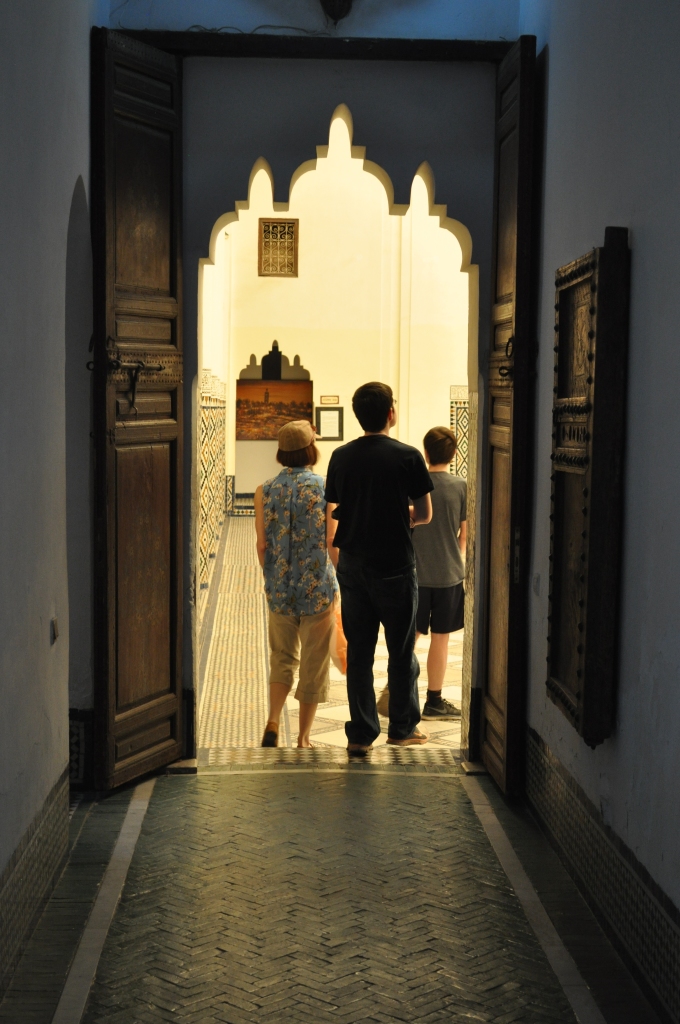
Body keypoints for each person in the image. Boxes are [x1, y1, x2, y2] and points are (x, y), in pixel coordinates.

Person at [325, 382, 433, 755]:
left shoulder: (340, 456)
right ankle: (401, 729)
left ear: (358, 415)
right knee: (401, 652)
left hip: (353, 566)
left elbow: (339, 508)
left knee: (360, 652)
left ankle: (360, 735)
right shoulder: (408, 456)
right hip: (395, 566)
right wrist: (401, 515)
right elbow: (425, 514)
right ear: (391, 413)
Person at [255, 420, 337, 748]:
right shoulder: (326, 487)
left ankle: (273, 720)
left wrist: (274, 575)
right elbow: (332, 539)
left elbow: (262, 545)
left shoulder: (264, 490)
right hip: (318, 588)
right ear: (310, 449)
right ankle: (303, 738)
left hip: (279, 589)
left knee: (282, 656)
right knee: (314, 662)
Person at [379, 426, 466, 720]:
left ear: (425, 453)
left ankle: (394, 691)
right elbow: (464, 536)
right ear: (454, 454)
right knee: (441, 638)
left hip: (413, 573)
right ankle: (434, 701)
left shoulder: (412, 483)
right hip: (449, 574)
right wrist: (455, 559)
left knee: (408, 637)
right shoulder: (461, 486)